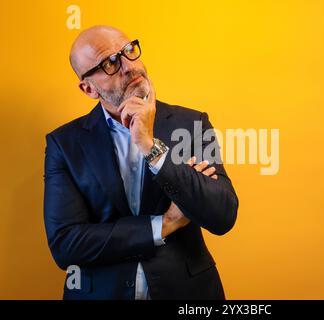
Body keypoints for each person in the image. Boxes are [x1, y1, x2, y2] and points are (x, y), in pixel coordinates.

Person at [43, 25, 238, 300]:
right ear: (88, 88)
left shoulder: (191, 124)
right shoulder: (65, 144)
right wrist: (163, 224)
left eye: (128, 51)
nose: (128, 66)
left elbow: (222, 215)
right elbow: (67, 244)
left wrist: (151, 147)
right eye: (109, 63)